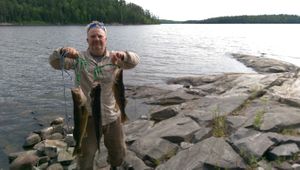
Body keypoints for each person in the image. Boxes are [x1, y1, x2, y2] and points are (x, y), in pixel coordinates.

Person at [49, 21, 140, 170]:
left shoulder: (114, 59)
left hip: (112, 116)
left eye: (100, 36)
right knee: (86, 157)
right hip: (88, 118)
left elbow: (135, 61)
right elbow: (54, 63)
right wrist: (62, 51)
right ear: (87, 40)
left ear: (105, 39)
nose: (96, 39)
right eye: (93, 36)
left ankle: (114, 167)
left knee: (118, 154)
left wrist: (125, 55)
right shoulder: (78, 59)